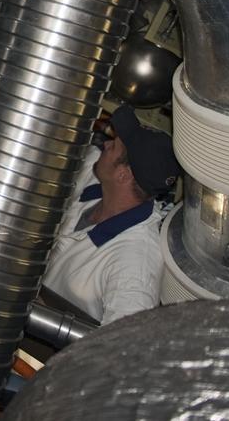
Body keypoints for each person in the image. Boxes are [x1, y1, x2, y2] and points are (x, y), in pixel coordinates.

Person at [41, 105, 182, 325]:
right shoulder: (95, 180)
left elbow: (124, 349)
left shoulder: (134, 264)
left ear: (123, 175)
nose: (104, 144)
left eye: (113, 146)